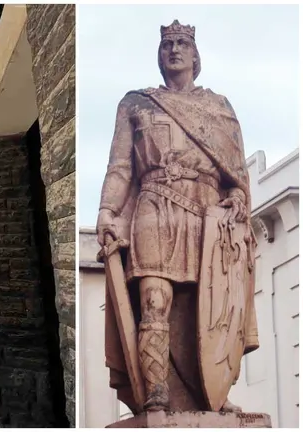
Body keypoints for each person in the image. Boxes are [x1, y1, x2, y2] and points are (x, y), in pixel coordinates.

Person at [96, 20, 257, 414]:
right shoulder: (136, 104)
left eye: (182, 43)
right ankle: (157, 393)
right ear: (160, 53)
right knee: (154, 298)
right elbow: (120, 167)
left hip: (208, 217)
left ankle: (210, 395)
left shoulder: (219, 109)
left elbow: (236, 174)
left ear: (194, 54)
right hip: (154, 206)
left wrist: (237, 196)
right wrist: (107, 210)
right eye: (168, 43)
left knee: (210, 310)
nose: (174, 50)